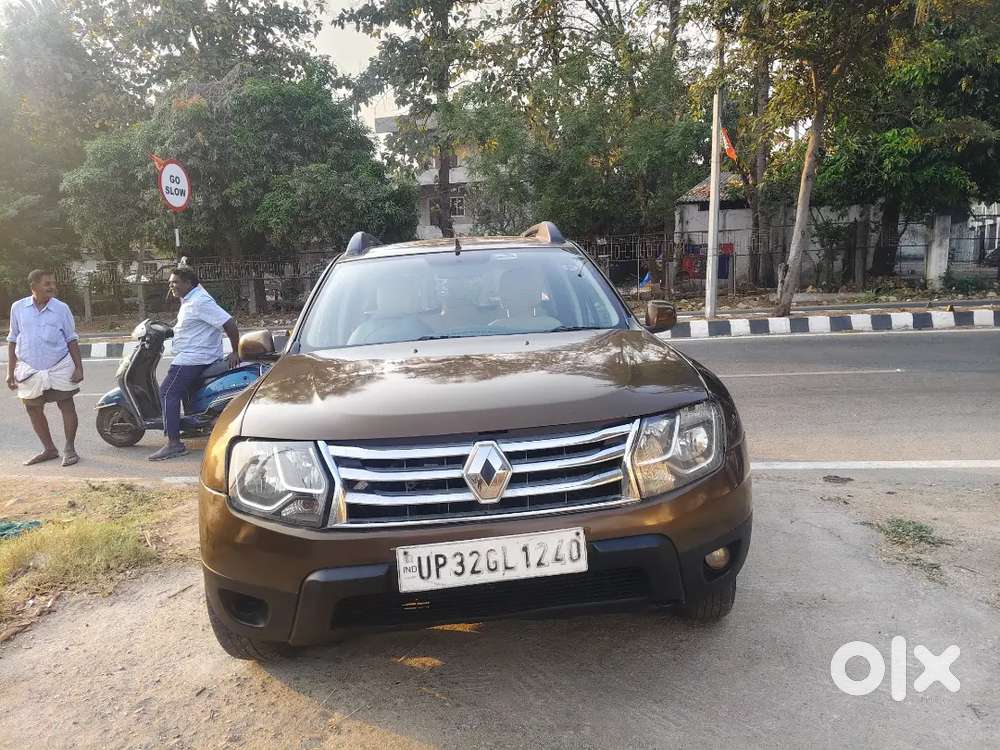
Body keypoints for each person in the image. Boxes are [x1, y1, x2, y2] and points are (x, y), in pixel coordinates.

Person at [149, 267, 240, 461]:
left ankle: (174, 444)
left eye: (175, 282)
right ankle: (190, 427)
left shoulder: (200, 301)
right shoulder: (192, 298)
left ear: (189, 283)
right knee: (184, 390)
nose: (171, 285)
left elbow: (229, 323)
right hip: (193, 354)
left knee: (167, 392)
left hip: (196, 357)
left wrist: (235, 351)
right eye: (170, 282)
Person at [6, 269, 85, 466]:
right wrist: (10, 372)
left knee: (66, 405)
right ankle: (49, 449)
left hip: (59, 366)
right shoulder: (18, 308)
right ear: (34, 287)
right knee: (33, 408)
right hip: (29, 369)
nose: (52, 287)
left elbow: (71, 339)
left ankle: (70, 448)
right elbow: (13, 339)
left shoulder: (62, 308)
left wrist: (78, 368)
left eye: (53, 283)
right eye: (47, 283)